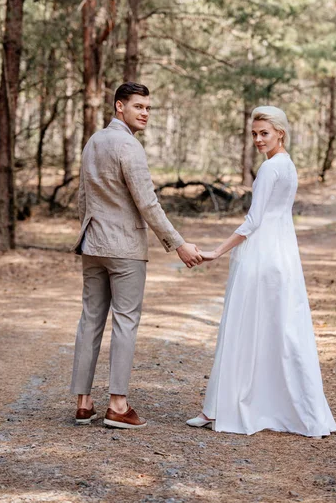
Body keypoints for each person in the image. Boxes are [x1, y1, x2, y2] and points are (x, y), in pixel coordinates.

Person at [187, 106, 336, 438]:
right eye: (254, 133)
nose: (257, 139)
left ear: (279, 133)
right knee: (280, 331)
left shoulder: (271, 169)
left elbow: (254, 222)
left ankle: (221, 408)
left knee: (245, 329)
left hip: (261, 258)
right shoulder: (288, 165)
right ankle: (290, 408)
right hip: (283, 255)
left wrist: (216, 251)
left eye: (264, 133)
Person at [71, 81, 202, 429]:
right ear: (119, 107)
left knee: (90, 319)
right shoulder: (129, 146)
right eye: (138, 107)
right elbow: (147, 202)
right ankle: (117, 405)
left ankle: (83, 402)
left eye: (147, 108)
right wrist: (178, 243)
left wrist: (86, 232)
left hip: (92, 244)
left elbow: (83, 197)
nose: (144, 113)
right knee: (125, 321)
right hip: (125, 249)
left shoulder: (94, 142)